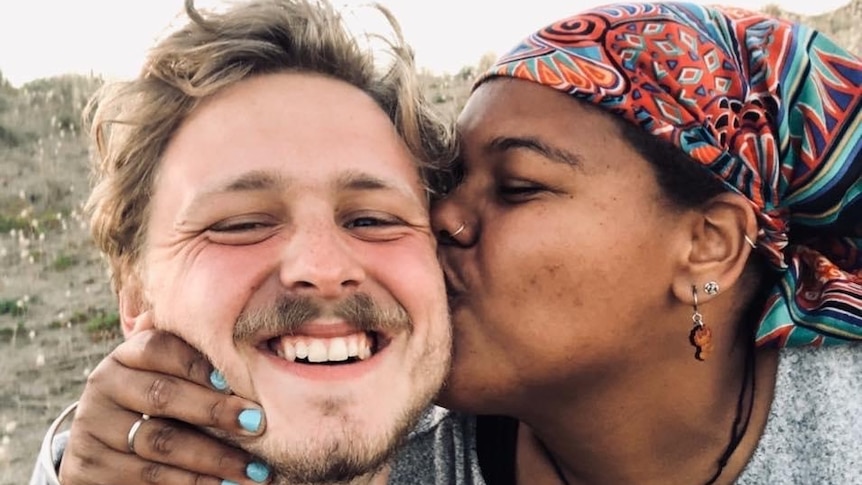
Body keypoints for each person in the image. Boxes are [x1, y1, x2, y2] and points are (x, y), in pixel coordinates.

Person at [34, 1, 862, 484]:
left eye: (518, 186)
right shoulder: (392, 444)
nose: (441, 222)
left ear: (708, 246)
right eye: (445, 183)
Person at [28, 0, 459, 484]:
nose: (322, 267)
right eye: (241, 225)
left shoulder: (531, 445)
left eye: (373, 220)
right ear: (134, 295)